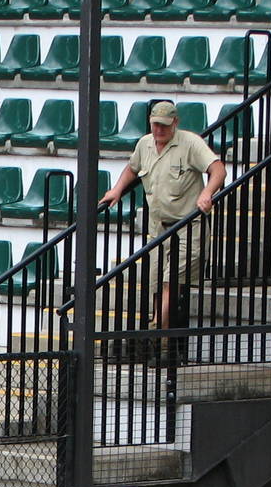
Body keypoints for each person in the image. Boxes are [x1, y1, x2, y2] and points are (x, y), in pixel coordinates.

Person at [97, 101, 227, 363]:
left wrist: (206, 192)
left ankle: (155, 334)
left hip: (187, 227)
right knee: (157, 285)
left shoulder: (190, 143)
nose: (159, 130)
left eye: (164, 125)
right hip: (158, 229)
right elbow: (133, 168)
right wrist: (117, 189)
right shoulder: (144, 144)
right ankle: (161, 342)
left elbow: (218, 169)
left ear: (175, 123)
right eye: (155, 124)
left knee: (170, 283)